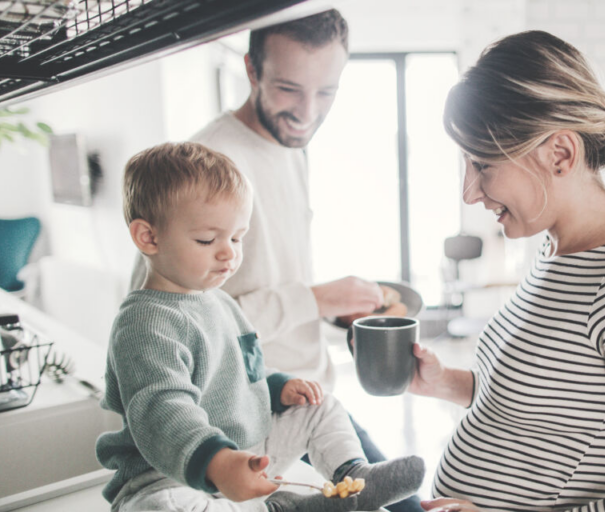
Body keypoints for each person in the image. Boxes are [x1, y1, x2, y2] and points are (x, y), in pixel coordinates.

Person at [409, 31, 605, 512]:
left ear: (560, 154)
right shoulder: (556, 253)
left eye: (484, 165)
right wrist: (444, 382)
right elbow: (547, 414)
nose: (470, 192)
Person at [129, 11, 424, 511]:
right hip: (241, 422)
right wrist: (313, 298)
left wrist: (331, 311)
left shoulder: (289, 147)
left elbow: (267, 279)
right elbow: (168, 315)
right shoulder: (209, 163)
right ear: (251, 70)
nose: (307, 112)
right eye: (289, 89)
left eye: (326, 92)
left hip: (302, 397)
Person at [98, 142, 424, 512]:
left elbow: (241, 371)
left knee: (322, 407)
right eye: (208, 239)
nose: (229, 253)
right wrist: (217, 463)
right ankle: (284, 508)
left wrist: (277, 387)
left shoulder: (217, 300)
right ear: (148, 237)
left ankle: (353, 478)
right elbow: (162, 411)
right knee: (163, 508)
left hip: (246, 453)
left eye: (237, 237)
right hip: (167, 474)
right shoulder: (144, 323)